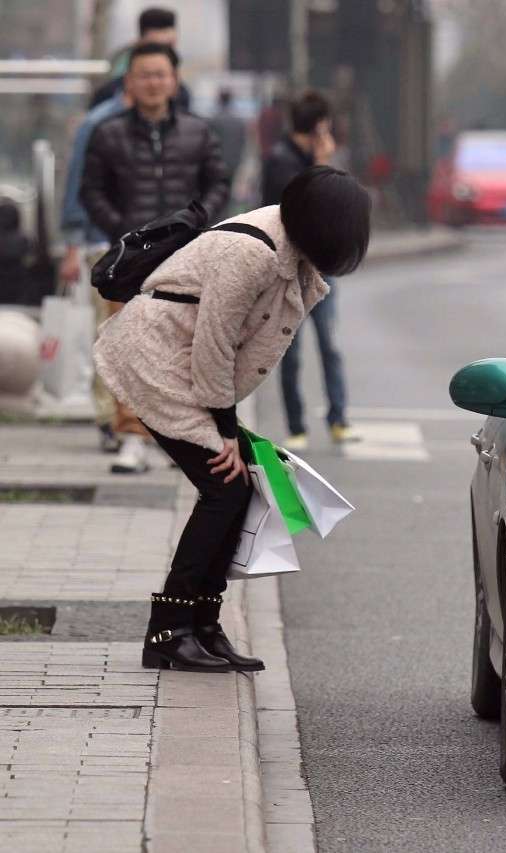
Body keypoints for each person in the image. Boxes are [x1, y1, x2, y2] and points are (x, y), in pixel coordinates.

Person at [93, 166, 371, 672]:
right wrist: (224, 430)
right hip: (156, 360)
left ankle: (203, 625)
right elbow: (215, 343)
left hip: (185, 368)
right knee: (224, 488)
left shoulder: (290, 250)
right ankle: (168, 631)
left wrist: (227, 427)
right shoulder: (251, 252)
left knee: (237, 489)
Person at [81, 43, 229, 474]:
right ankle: (131, 437)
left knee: (182, 349)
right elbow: (91, 191)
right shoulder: (107, 134)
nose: (153, 82)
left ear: (174, 80)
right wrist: (121, 228)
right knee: (127, 349)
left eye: (160, 74)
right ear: (129, 82)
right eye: (144, 74)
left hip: (185, 257)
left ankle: (178, 439)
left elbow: (219, 183)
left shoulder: (198, 132)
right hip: (130, 259)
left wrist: (197, 220)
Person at [261, 91, 359, 450]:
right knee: (290, 348)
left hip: (321, 265)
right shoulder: (280, 160)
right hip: (290, 268)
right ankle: (296, 425)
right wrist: (320, 163)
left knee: (330, 345)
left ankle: (338, 418)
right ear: (320, 126)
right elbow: (305, 206)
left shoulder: (312, 157)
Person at [60, 86, 131, 454]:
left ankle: (138, 422)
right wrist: (73, 246)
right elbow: (78, 185)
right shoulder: (98, 122)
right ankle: (110, 419)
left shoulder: (171, 123)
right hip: (103, 243)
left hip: (150, 244)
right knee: (109, 333)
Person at [89, 7, 192, 112]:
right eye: (155, 47)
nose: (154, 83)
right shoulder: (110, 93)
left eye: (170, 47)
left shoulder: (182, 95)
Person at [209, 89, 247, 185]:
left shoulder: (214, 120)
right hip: (233, 161)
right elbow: (242, 142)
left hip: (217, 162)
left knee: (217, 187)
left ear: (219, 100)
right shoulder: (239, 121)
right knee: (229, 186)